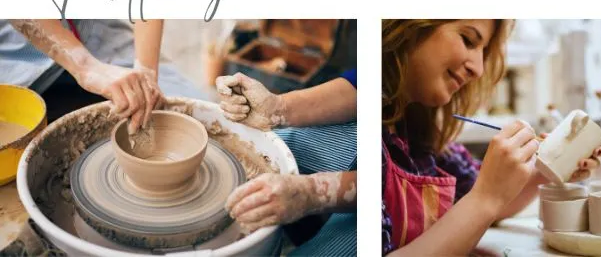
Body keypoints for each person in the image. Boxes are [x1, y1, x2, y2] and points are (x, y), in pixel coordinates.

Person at [380, 20, 601, 255]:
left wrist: (545, 169)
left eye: (483, 51)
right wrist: (485, 197)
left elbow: (490, 204)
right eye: (468, 40)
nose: (478, 69)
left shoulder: (422, 136)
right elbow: (483, 199)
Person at [216, 69, 357, 256]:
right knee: (265, 146)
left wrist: (313, 193)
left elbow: (396, 186)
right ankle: (300, 230)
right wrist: (278, 107)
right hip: (385, 129)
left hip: (401, 194)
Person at [0, 20, 205, 132]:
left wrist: (146, 72)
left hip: (92, 27)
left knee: (198, 110)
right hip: (18, 44)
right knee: (13, 135)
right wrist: (85, 67)